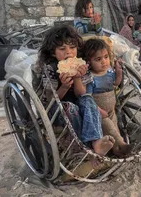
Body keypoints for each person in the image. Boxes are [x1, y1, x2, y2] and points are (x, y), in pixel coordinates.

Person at [33, 25, 115, 157]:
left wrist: (77, 77)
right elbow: (50, 100)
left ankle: (96, 142)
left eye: (72, 47)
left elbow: (81, 94)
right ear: (53, 52)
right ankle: (85, 149)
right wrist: (64, 86)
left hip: (77, 100)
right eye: (62, 49)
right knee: (71, 108)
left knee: (88, 99)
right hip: (57, 108)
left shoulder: (81, 65)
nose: (69, 53)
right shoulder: (51, 69)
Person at [82, 38, 133, 157]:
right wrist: (98, 111)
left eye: (105, 57)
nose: (104, 62)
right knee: (110, 129)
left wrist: (119, 72)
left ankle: (116, 149)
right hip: (100, 111)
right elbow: (87, 97)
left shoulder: (109, 72)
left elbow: (115, 83)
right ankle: (122, 144)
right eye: (98, 59)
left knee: (114, 127)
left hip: (111, 109)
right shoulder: (90, 77)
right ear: (88, 62)